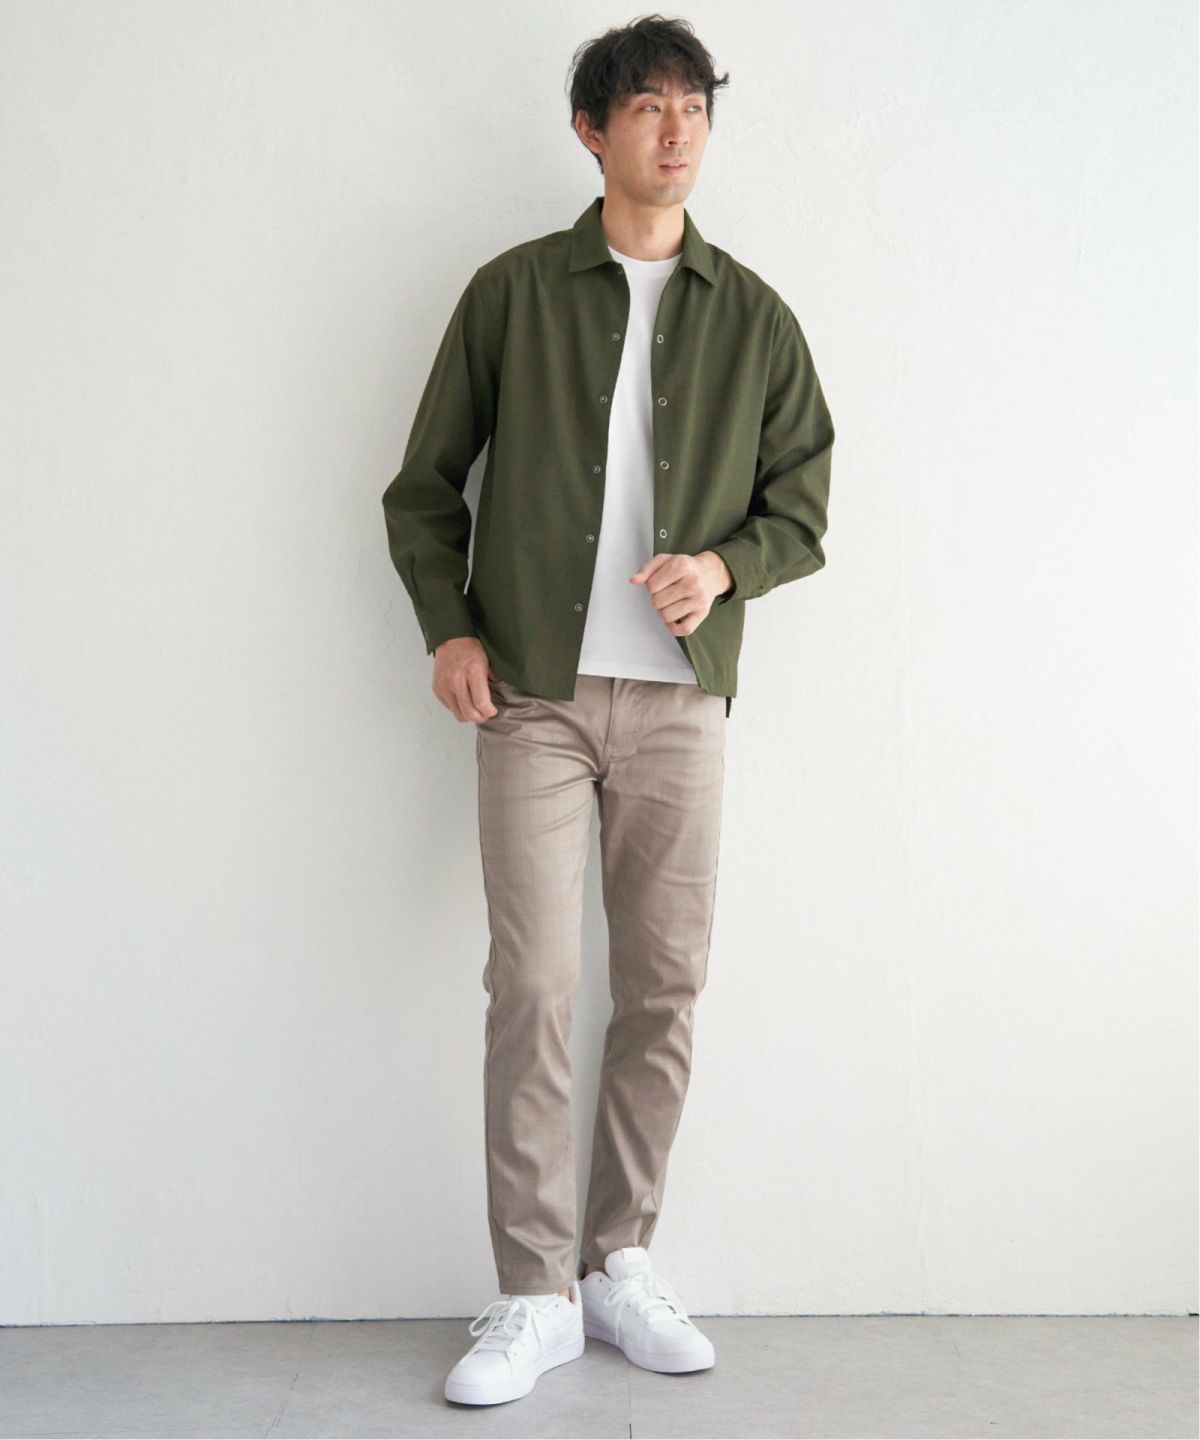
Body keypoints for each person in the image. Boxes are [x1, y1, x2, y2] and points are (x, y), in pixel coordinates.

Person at [381, 13, 835, 1409]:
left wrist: (722, 568)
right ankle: (534, 1292)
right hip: (530, 692)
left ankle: (618, 1258)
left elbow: (804, 504)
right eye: (646, 106)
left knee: (664, 984)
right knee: (534, 987)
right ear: (592, 130)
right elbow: (422, 490)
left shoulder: (754, 316)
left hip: (681, 703)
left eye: (693, 104)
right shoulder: (512, 293)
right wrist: (450, 627)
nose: (677, 129)